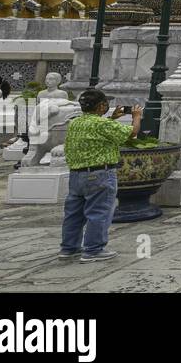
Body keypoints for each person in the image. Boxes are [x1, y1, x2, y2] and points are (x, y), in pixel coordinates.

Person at [59, 89, 142, 261]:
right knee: (99, 212)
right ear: (102, 106)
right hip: (99, 174)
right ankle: (93, 250)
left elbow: (99, 131)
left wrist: (112, 118)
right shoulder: (102, 125)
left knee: (74, 214)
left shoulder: (76, 123)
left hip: (76, 175)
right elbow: (132, 133)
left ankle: (69, 248)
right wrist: (136, 116)